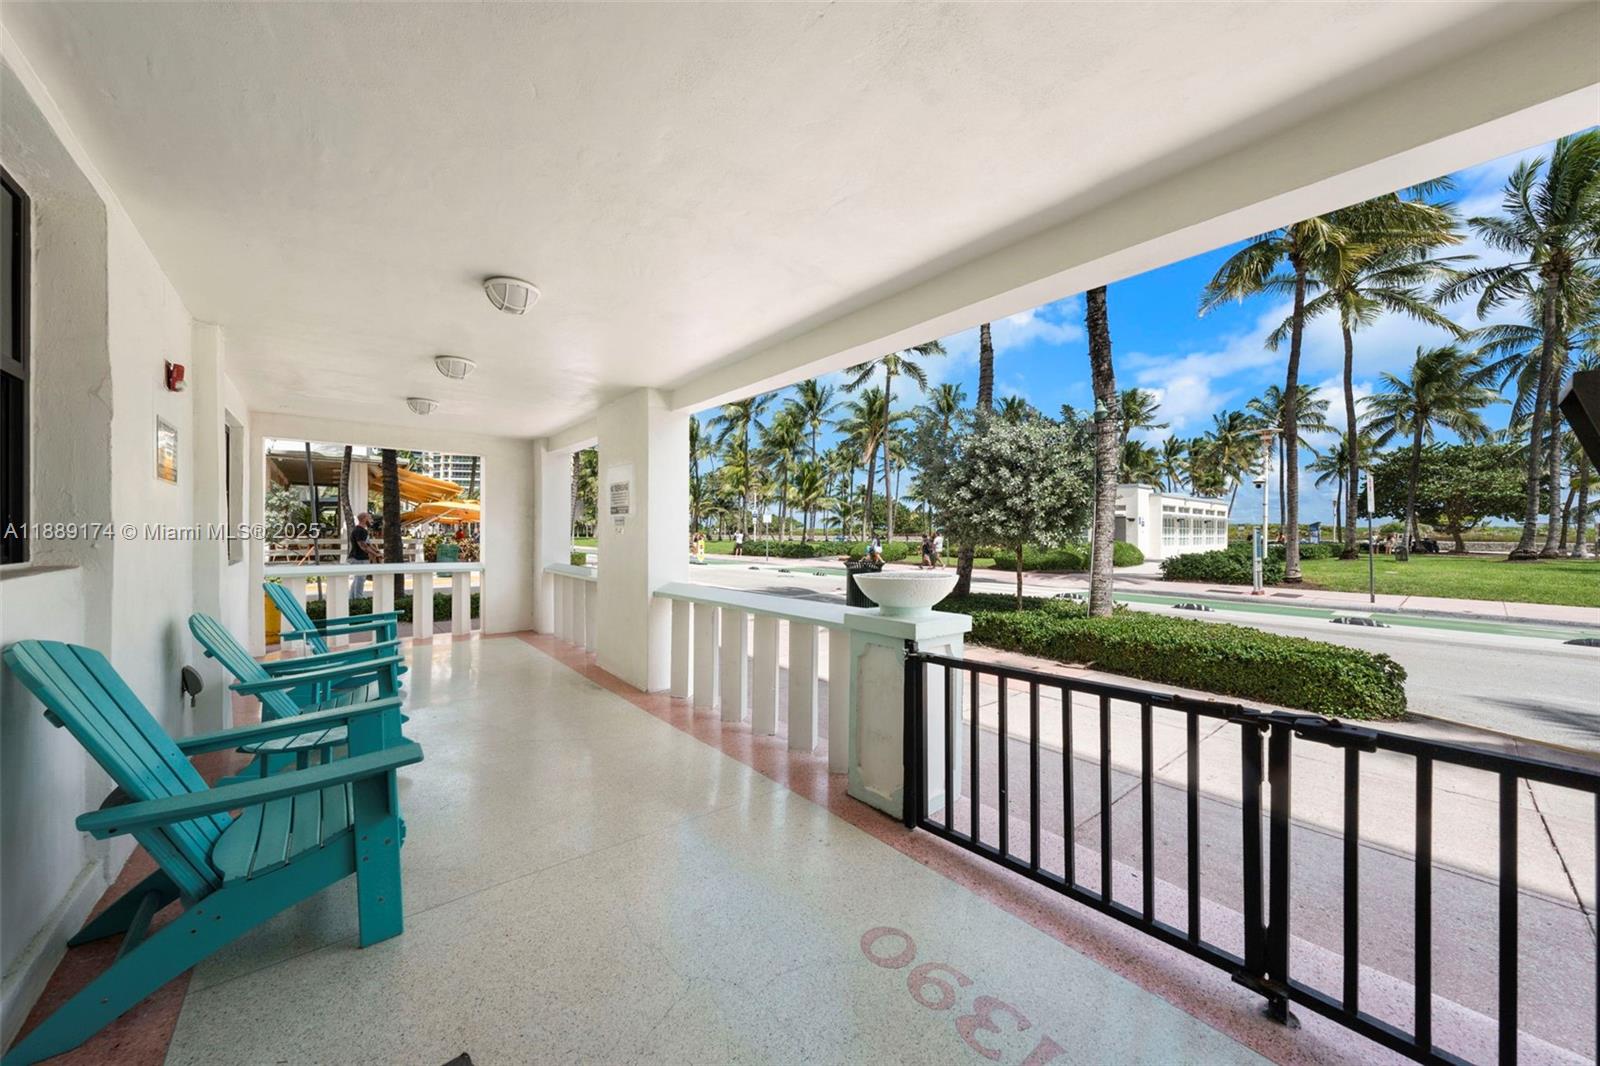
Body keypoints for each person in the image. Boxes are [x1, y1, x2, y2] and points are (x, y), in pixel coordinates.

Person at [349, 512, 374, 599]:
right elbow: (363, 545)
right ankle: (358, 598)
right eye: (369, 518)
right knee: (360, 579)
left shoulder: (361, 530)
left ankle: (352, 598)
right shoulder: (360, 530)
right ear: (364, 519)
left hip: (359, 557)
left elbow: (368, 544)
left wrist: (375, 551)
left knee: (358, 578)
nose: (371, 520)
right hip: (359, 558)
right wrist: (374, 554)